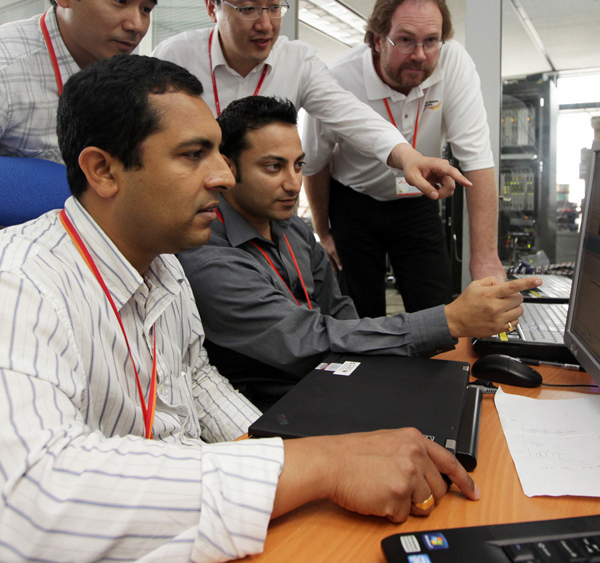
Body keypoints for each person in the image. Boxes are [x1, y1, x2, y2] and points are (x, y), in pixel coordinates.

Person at [0, 55, 483, 562]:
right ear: (103, 170)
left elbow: (197, 380)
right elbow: (33, 496)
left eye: (218, 153)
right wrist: (317, 464)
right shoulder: (21, 282)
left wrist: (279, 450)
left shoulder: (164, 267)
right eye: (193, 155)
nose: (223, 177)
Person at [179, 95, 539, 410]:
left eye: (299, 165)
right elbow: (308, 342)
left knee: (459, 401)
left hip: (330, 382)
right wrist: (449, 321)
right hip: (280, 406)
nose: (293, 183)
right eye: (273, 167)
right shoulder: (208, 256)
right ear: (228, 166)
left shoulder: (292, 229)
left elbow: (339, 314)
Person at [152, 0, 469, 201]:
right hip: (196, 207)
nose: (266, 24)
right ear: (213, 7)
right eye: (248, 9)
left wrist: (408, 156)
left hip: (264, 214)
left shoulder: (298, 61)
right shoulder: (175, 57)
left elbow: (352, 116)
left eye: (274, 6)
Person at [303, 0, 505, 318]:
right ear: (377, 40)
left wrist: (485, 258)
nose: (420, 54)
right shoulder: (339, 77)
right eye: (406, 40)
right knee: (358, 315)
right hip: (353, 202)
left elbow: (478, 161)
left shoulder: (453, 63)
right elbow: (314, 164)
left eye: (431, 41)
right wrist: (323, 232)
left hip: (416, 201)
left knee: (436, 310)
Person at [0, 0, 165, 162]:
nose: (137, 25)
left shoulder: (131, 81)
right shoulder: (6, 67)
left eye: (146, 9)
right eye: (120, 0)